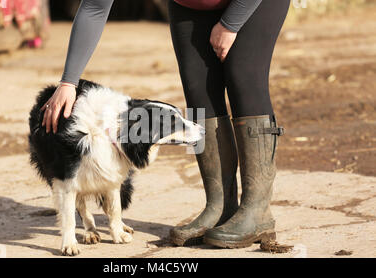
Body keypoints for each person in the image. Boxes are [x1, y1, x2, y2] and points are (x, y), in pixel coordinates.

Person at [41, 0, 290, 249]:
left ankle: (258, 212)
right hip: (190, 5)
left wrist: (229, 23)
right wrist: (68, 83)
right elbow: (95, 7)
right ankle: (219, 207)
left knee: (241, 78)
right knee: (198, 92)